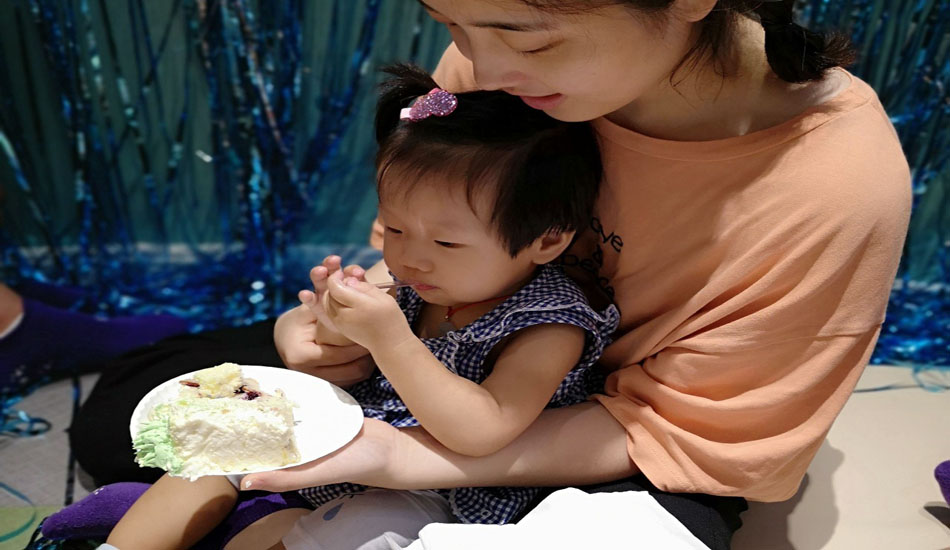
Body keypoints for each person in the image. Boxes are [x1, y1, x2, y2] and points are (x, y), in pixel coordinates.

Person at [67, 0, 911, 548]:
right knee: (129, 420)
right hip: (438, 355)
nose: (483, 68)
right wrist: (331, 337)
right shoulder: (503, 65)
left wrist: (406, 458)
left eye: (527, 36)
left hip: (606, 438)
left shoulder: (833, 183)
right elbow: (416, 252)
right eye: (454, 25)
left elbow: (679, 436)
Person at [95, 64, 618, 550]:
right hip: (348, 433)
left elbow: (481, 432)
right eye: (395, 229)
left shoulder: (549, 324)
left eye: (447, 243)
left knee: (361, 526)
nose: (411, 257)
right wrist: (332, 319)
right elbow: (341, 354)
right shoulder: (410, 277)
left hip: (436, 481)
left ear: (547, 241)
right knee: (220, 439)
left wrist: (391, 339)